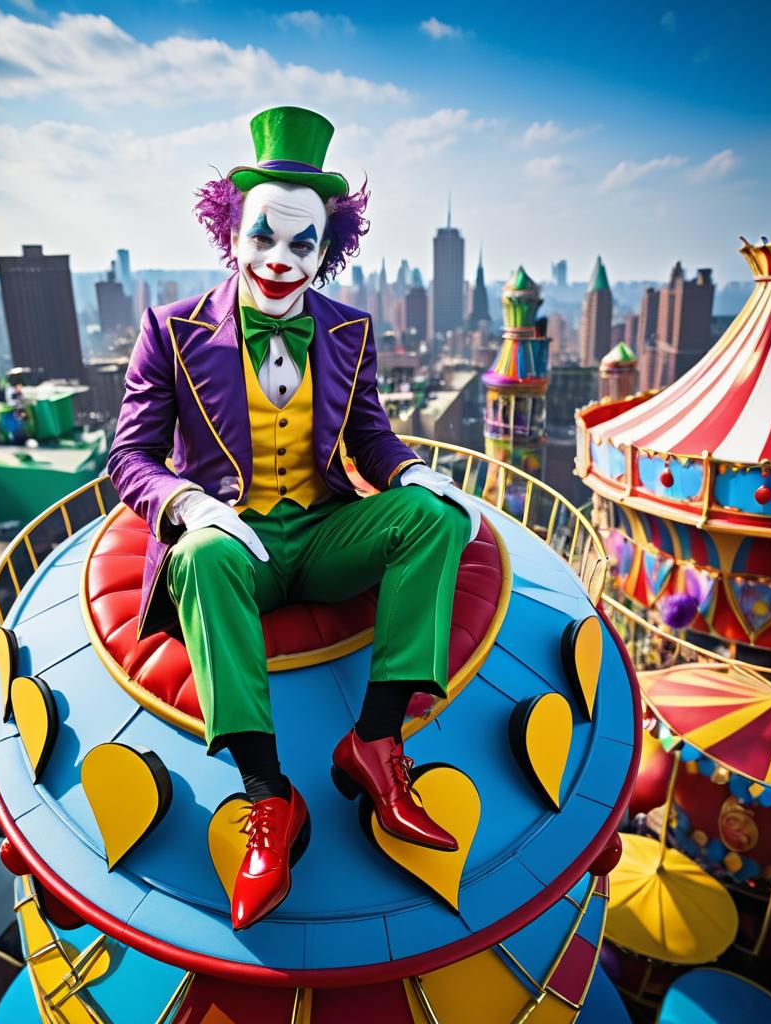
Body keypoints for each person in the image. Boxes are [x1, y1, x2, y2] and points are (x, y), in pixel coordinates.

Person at [108, 106, 480, 930]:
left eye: (301, 244)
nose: (280, 260)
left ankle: (376, 744)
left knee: (435, 520)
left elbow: (370, 435)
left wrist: (415, 471)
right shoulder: (169, 333)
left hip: (320, 532)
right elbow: (128, 457)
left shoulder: (349, 330)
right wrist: (192, 505)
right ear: (230, 235)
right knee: (198, 558)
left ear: (329, 248)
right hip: (234, 546)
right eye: (263, 238)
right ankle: (270, 799)